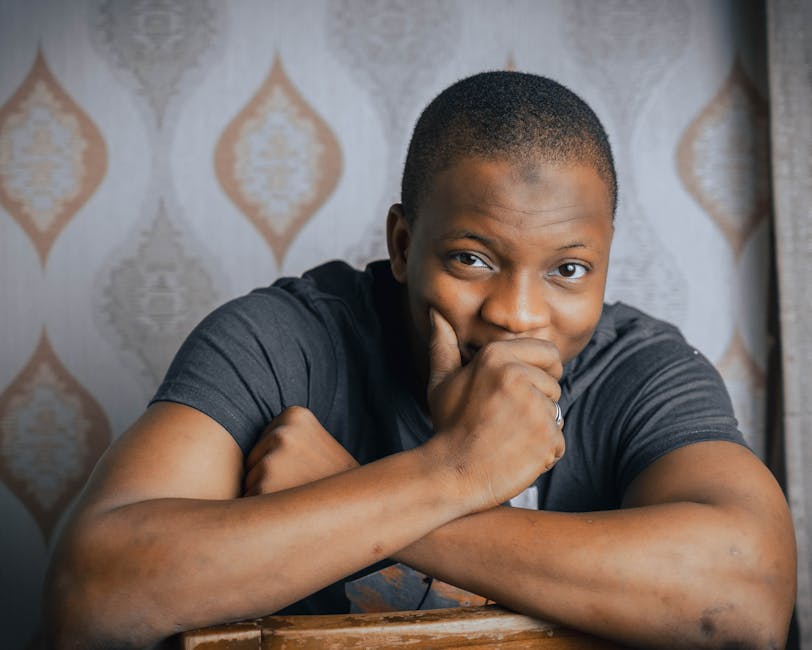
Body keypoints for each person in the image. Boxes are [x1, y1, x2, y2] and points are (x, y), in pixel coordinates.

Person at [45, 71, 796, 649]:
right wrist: (455, 473)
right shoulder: (283, 341)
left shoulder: (639, 369)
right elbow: (94, 593)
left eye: (569, 270)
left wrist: (357, 493)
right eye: (473, 258)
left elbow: (749, 595)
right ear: (404, 246)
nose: (519, 314)